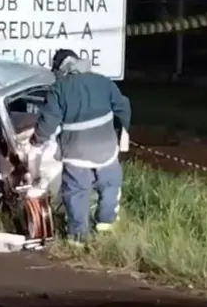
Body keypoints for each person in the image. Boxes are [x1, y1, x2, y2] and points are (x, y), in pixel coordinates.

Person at [30, 49, 132, 244]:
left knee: (76, 192)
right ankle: (106, 223)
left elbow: (48, 122)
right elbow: (123, 107)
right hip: (106, 148)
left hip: (76, 152)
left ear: (60, 69)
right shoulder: (103, 81)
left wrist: (37, 142)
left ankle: (78, 237)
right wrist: (122, 131)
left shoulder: (58, 89)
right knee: (110, 184)